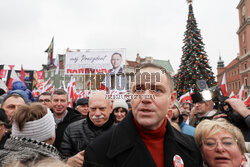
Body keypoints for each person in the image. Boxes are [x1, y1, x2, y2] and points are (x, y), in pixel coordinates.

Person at [83, 63, 203, 167]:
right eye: (139, 89)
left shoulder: (191, 148)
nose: (146, 98)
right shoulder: (99, 150)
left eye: (156, 90)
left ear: (171, 99)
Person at [60, 91, 115, 167]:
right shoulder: (72, 129)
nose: (97, 113)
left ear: (111, 108)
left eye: (102, 108)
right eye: (93, 109)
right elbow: (60, 158)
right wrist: (68, 162)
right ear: (88, 108)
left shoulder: (121, 131)